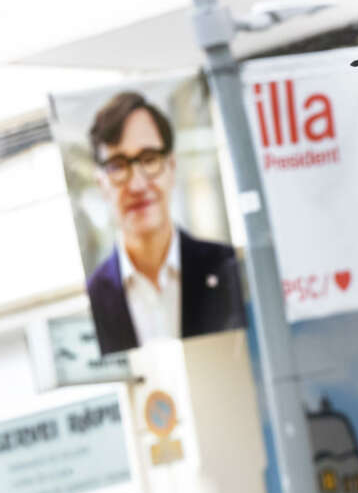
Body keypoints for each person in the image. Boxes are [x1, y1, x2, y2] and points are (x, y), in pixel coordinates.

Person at [86, 91, 245, 355]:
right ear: (101, 183)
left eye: (149, 159)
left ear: (171, 166)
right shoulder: (94, 296)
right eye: (117, 166)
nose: (137, 184)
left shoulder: (225, 267)